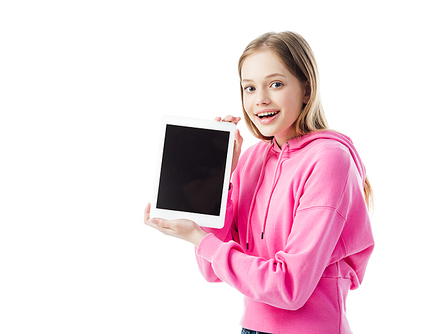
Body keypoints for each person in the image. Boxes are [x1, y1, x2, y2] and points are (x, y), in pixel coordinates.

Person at [144, 31, 374, 334]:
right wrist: (220, 177)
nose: (260, 99)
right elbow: (212, 270)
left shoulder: (329, 159)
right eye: (249, 88)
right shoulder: (253, 159)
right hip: (251, 329)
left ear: (307, 88)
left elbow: (289, 287)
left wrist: (201, 240)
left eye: (275, 84)